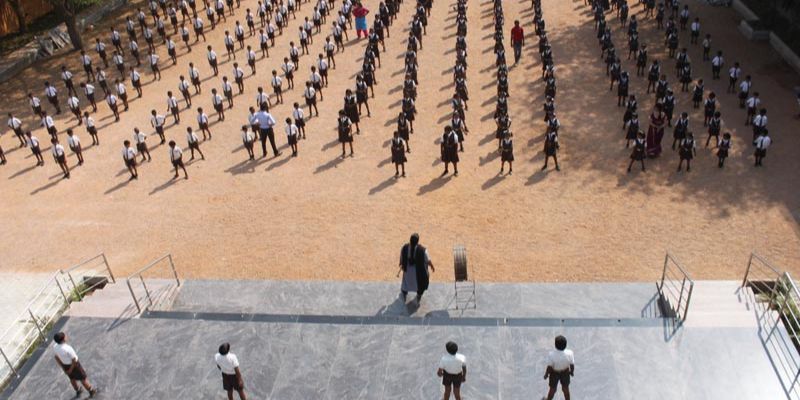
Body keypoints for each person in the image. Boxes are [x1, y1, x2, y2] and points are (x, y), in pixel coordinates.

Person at [52, 332, 97, 398]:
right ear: (63, 339)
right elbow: (74, 360)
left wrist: (64, 368)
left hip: (65, 366)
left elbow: (56, 357)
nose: (66, 336)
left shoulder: (55, 347)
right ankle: (91, 391)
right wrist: (71, 369)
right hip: (75, 366)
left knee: (72, 378)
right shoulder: (68, 348)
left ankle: (78, 390)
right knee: (83, 379)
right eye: (65, 336)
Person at [398, 233, 434, 303]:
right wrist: (432, 266)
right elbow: (428, 260)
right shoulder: (423, 250)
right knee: (421, 284)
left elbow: (402, 256)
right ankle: (419, 295)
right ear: (417, 241)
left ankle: (404, 293)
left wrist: (401, 263)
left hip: (407, 271)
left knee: (405, 283)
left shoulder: (404, 248)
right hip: (418, 272)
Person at [544, 335, 574, 400]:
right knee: (565, 388)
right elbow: (572, 365)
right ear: (565, 345)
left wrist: (546, 374)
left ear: (555, 345)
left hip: (554, 373)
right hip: (565, 372)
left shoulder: (551, 354)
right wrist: (571, 372)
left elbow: (549, 367)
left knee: (552, 389)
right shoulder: (570, 353)